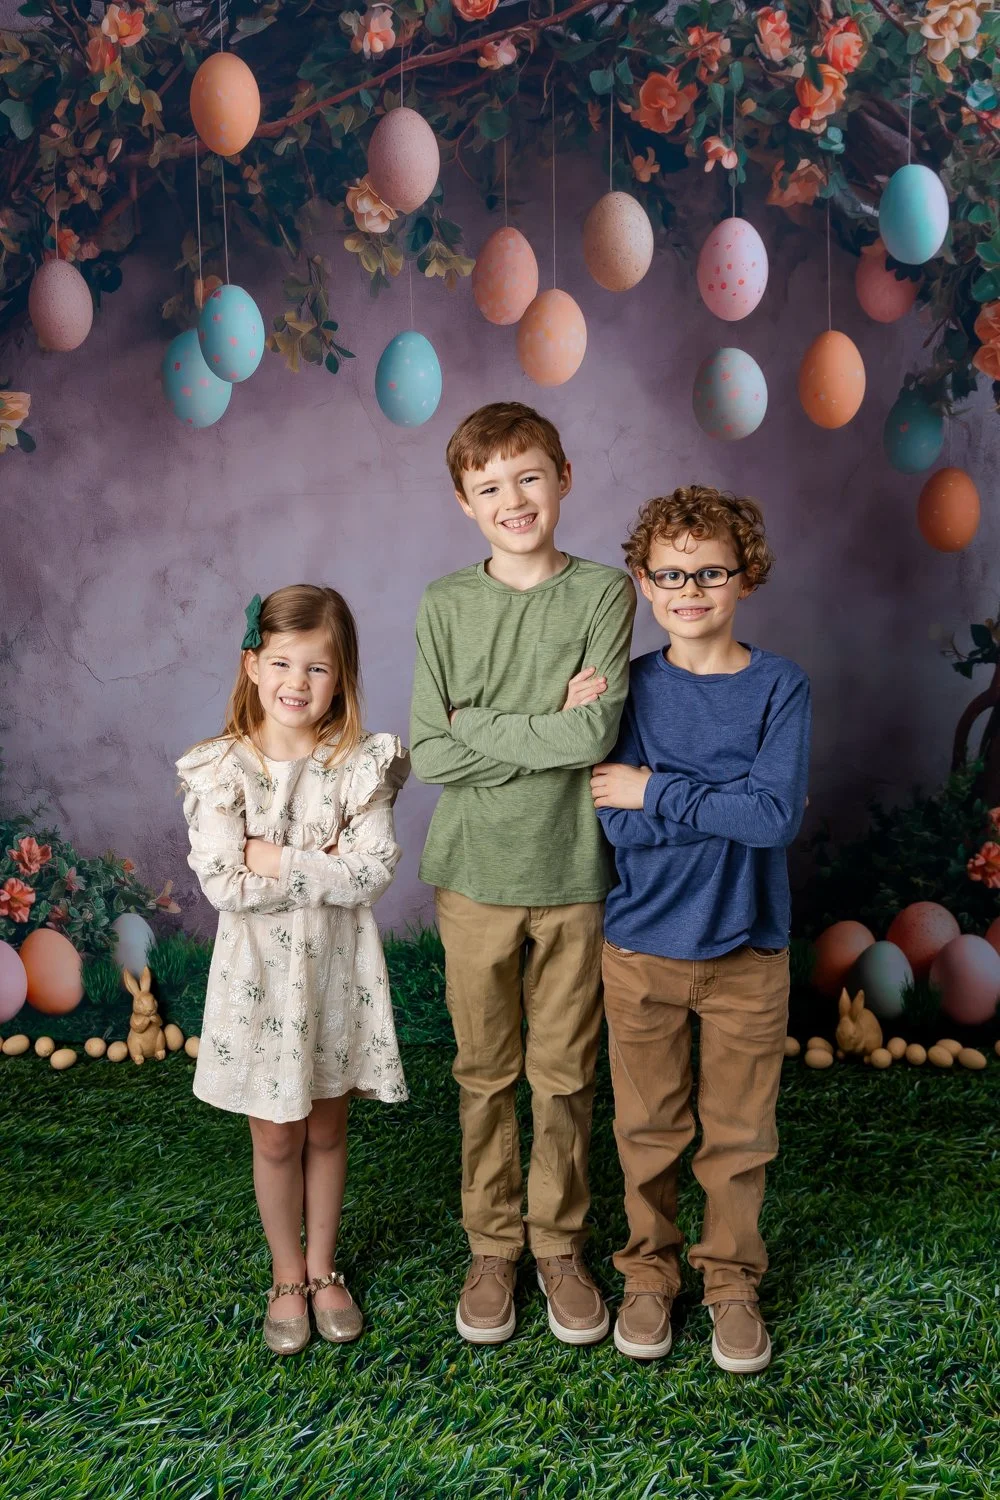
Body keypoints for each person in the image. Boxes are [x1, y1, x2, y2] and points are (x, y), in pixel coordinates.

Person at [410, 401, 636, 1346]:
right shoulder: (443, 605)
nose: (513, 499)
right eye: (489, 486)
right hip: (472, 875)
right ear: (465, 503)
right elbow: (429, 751)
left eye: (528, 477)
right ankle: (492, 1244)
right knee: (484, 1071)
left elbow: (597, 733)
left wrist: (482, 725)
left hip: (574, 872)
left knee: (563, 1074)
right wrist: (543, 722)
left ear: (564, 476)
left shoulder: (604, 595)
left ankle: (557, 1245)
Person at [591, 486, 811, 1374]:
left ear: (743, 577)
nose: (691, 589)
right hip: (641, 946)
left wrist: (662, 789)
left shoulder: (780, 685)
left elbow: (774, 820)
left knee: (738, 1135)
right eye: (671, 574)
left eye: (710, 571)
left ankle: (730, 1283)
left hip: (749, 953)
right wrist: (718, 801)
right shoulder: (635, 686)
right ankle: (650, 1274)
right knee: (647, 1129)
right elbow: (618, 820)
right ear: (644, 582)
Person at [177, 584, 409, 1356]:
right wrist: (322, 863)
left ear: (339, 677)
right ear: (251, 665)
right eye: (281, 662)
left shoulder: (359, 764)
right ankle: (284, 1274)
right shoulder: (219, 771)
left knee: (328, 1126)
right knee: (276, 1136)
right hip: (259, 982)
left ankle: (321, 1267)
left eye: (317, 668)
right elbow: (222, 883)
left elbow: (372, 873)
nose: (297, 683)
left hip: (337, 976)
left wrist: (273, 855)